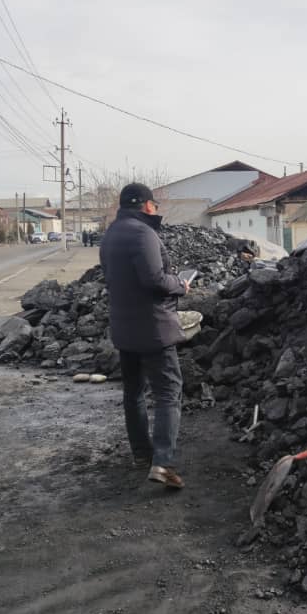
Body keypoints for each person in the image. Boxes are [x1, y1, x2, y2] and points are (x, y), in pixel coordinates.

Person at [100, 183, 190, 489]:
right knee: (168, 392)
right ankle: (162, 463)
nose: (156, 208)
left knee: (134, 392)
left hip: (124, 328)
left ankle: (141, 454)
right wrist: (180, 285)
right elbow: (154, 279)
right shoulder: (143, 233)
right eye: (154, 204)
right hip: (153, 329)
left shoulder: (111, 234)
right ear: (147, 205)